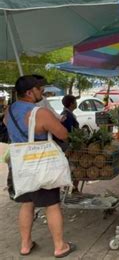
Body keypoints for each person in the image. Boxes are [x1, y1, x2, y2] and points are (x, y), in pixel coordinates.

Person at [3, 75, 75, 258]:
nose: (42, 92)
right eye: (39, 89)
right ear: (29, 92)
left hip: (20, 165)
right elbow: (63, 133)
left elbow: (8, 127)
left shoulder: (9, 111)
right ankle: (60, 246)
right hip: (40, 164)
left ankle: (25, 245)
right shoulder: (39, 113)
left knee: (27, 204)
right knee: (51, 205)